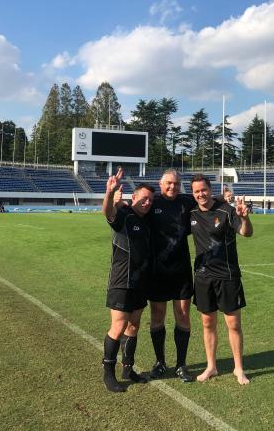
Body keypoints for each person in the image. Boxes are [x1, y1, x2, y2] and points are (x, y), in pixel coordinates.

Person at [190, 173, 253, 385]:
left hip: (227, 276)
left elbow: (246, 233)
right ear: (193, 193)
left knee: (233, 324)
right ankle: (211, 366)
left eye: (204, 190)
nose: (201, 194)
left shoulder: (226, 210)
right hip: (202, 277)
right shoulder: (190, 212)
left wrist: (244, 217)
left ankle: (238, 368)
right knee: (208, 323)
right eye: (197, 191)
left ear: (210, 189)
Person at [101, 167, 154, 392]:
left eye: (150, 200)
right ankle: (108, 374)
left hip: (140, 282)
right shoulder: (123, 215)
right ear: (133, 198)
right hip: (121, 282)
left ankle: (128, 368)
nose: (147, 203)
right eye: (143, 199)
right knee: (118, 326)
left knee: (134, 325)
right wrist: (110, 193)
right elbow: (108, 213)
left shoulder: (147, 220)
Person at [146, 169, 196, 382]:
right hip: (157, 271)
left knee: (183, 315)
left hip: (181, 270)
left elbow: (208, 199)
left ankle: (181, 364)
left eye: (175, 183)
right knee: (157, 315)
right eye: (168, 183)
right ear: (160, 183)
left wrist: (226, 197)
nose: (172, 187)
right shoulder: (152, 202)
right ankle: (160, 362)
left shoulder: (187, 202)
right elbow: (130, 209)